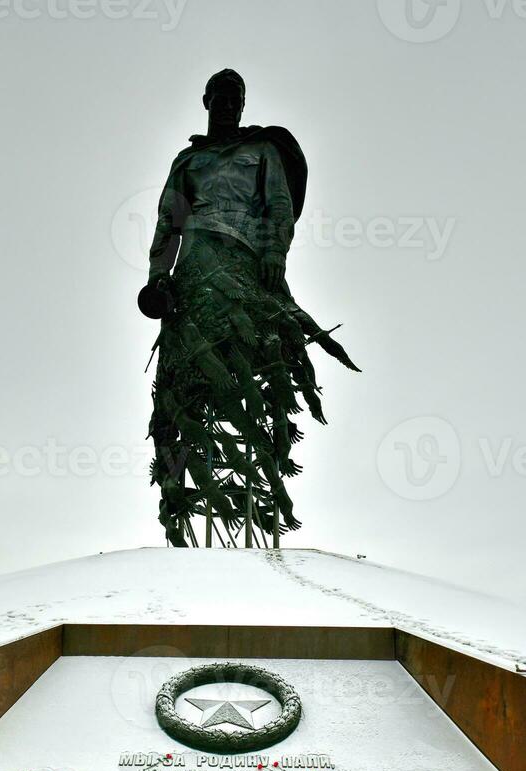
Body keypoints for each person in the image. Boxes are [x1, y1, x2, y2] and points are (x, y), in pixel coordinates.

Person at [144, 69, 360, 548]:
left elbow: (278, 208)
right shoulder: (189, 160)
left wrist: (273, 256)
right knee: (183, 390)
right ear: (206, 100)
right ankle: (179, 499)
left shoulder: (262, 151)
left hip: (244, 265)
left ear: (243, 104)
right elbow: (168, 221)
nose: (226, 104)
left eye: (234, 97)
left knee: (251, 371)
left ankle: (261, 488)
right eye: (219, 96)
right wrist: (158, 278)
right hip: (196, 265)